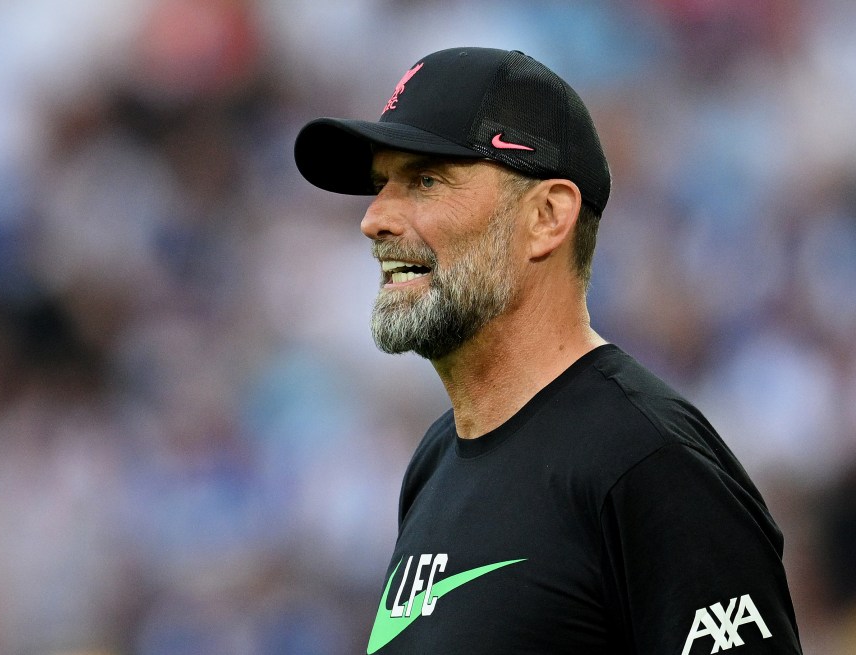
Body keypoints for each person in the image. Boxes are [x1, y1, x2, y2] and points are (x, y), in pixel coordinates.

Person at [293, 47, 803, 655]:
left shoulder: (647, 461)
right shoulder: (436, 460)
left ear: (547, 216)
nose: (374, 218)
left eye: (426, 181)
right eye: (382, 186)